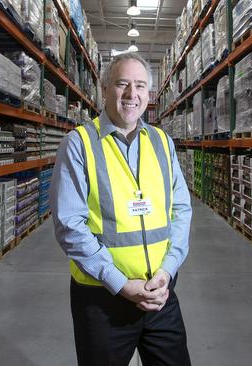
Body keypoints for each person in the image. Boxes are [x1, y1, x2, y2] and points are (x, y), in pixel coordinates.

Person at [51, 52, 193, 366]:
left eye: (140, 86)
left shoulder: (161, 142)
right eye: (122, 84)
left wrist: (167, 271)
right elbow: (69, 225)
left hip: (160, 293)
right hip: (103, 300)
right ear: (104, 89)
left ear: (149, 94)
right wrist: (121, 284)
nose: (132, 94)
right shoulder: (79, 144)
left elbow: (181, 209)